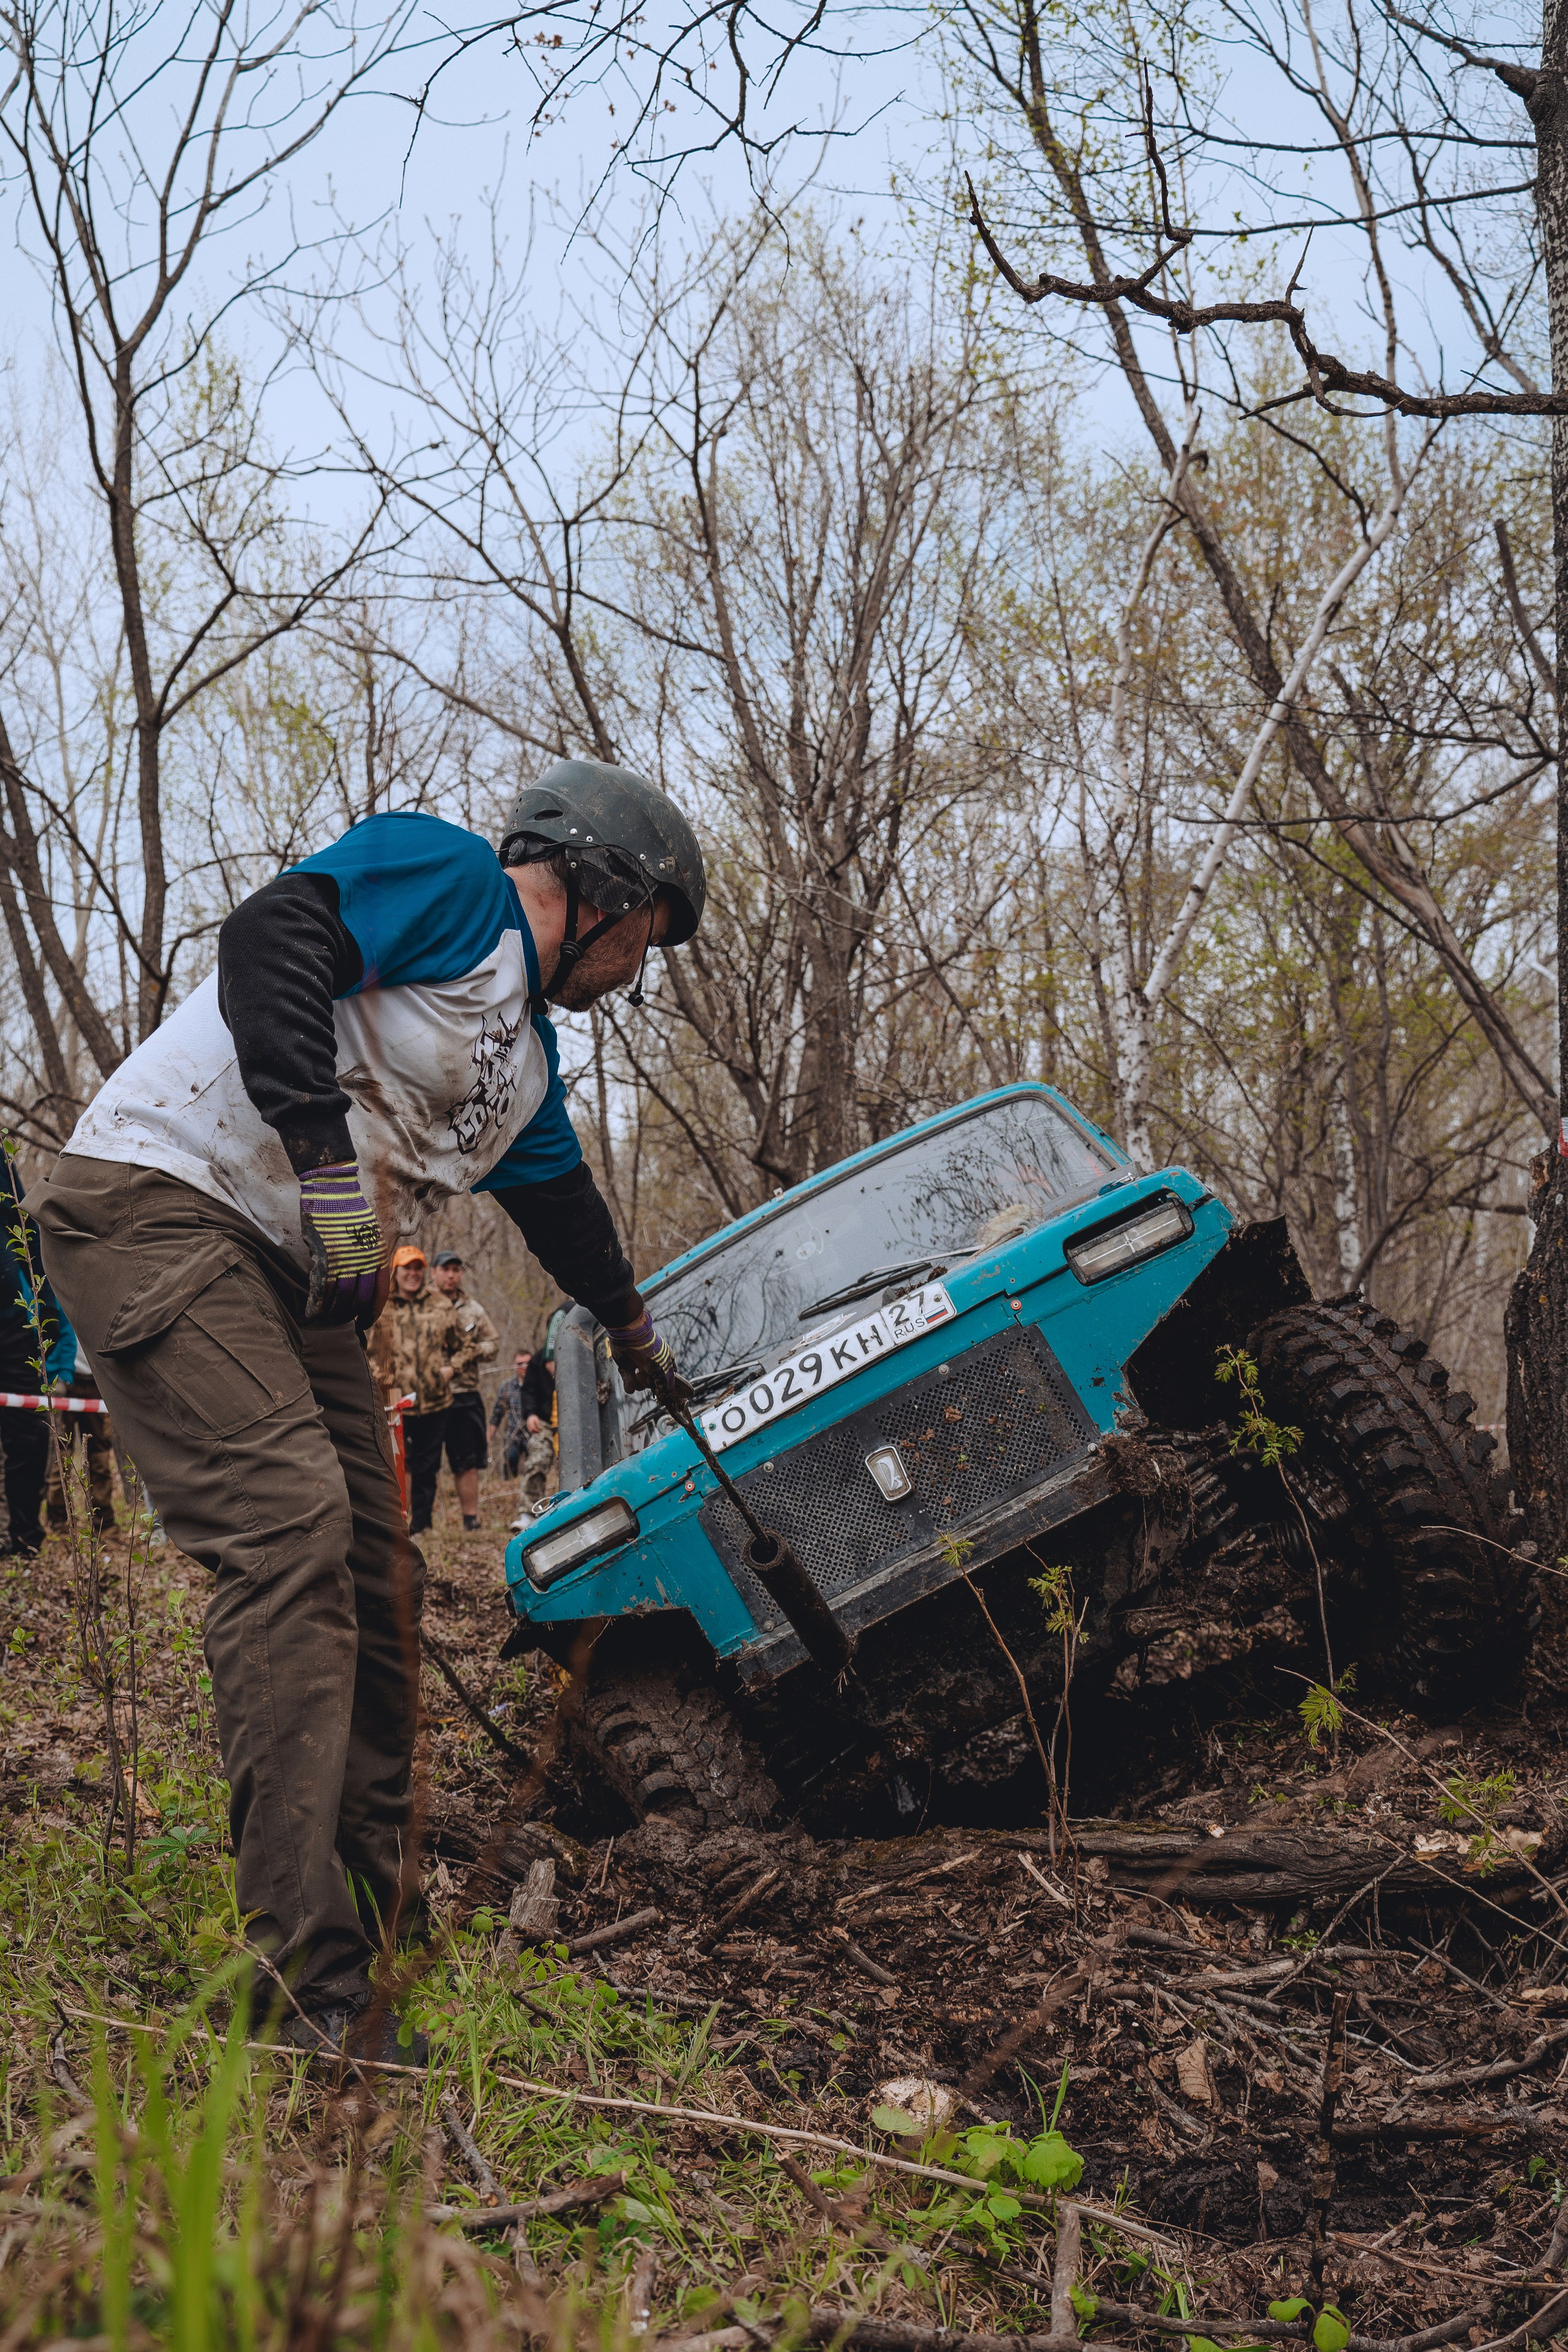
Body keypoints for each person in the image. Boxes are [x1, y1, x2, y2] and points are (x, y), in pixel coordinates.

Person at [26, 758, 704, 2064]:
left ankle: (383, 1925)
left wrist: (629, 1323)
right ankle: (299, 1978)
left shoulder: (527, 1063)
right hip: (159, 1197)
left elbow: (560, 1204)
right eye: (644, 943)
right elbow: (273, 940)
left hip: (292, 1273)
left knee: (378, 1569)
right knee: (288, 1535)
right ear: (606, 889)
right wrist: (332, 1177)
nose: (635, 974)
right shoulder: (456, 883)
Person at [369, 1246, 462, 1536]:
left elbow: (465, 1345)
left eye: (417, 1268)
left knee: (427, 1466)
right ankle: (398, 1525)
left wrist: (452, 1368)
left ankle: (423, 1525)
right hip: (393, 1404)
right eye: (407, 1268)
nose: (412, 1274)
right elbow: (362, 1348)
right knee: (397, 1465)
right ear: (395, 1272)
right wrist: (378, 1377)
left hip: (434, 1402)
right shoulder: (379, 1304)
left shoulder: (441, 1305)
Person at [1, 1152, 57, 1559]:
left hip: (12, 1321)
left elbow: (25, 1226)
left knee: (29, 1433)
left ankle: (24, 1539)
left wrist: (48, 1310)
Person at [429, 1250, 499, 1529]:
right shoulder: (418, 1304)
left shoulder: (474, 1309)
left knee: (466, 1460)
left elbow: (493, 1345)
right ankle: (421, 1522)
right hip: (428, 1394)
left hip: (465, 1394)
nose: (451, 1275)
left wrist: (468, 1353)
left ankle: (471, 1519)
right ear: (433, 1273)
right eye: (446, 1269)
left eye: (456, 1270)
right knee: (424, 1461)